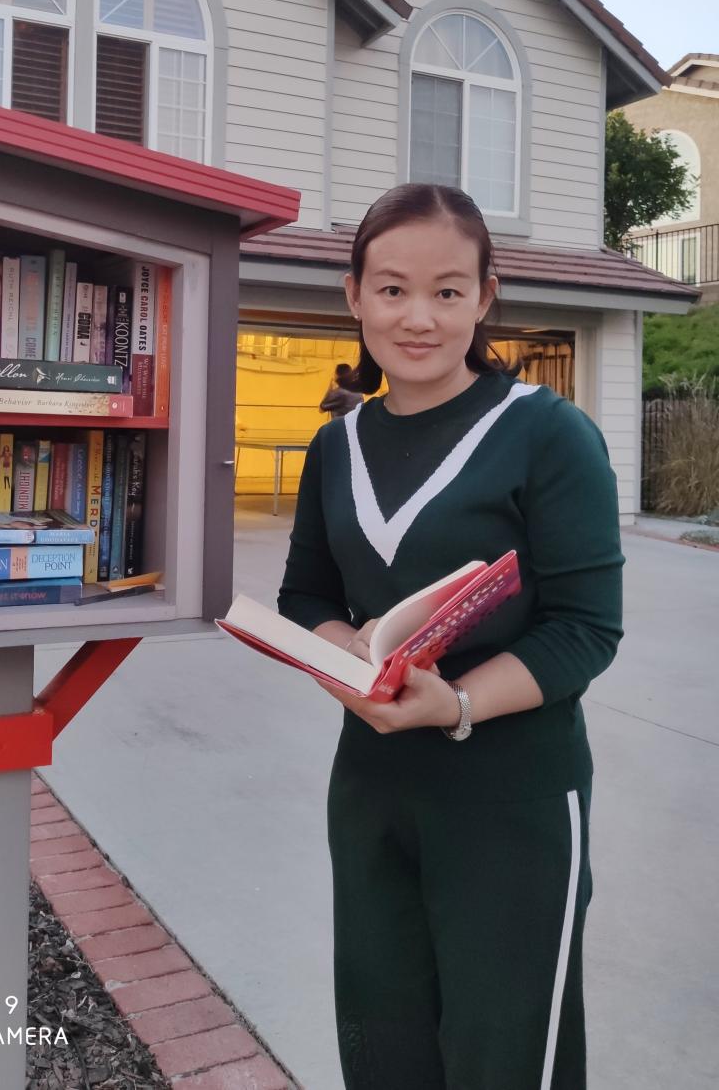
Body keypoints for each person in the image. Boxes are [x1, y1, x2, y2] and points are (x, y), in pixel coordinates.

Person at [277, 182, 624, 1090]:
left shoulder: (548, 434)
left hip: (513, 800)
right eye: (392, 289)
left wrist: (458, 702)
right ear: (354, 297)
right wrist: (342, 652)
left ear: (484, 296)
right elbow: (305, 593)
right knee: (385, 1047)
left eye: (447, 291)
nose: (419, 317)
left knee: (504, 1057)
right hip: (372, 792)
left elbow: (586, 629)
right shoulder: (336, 446)